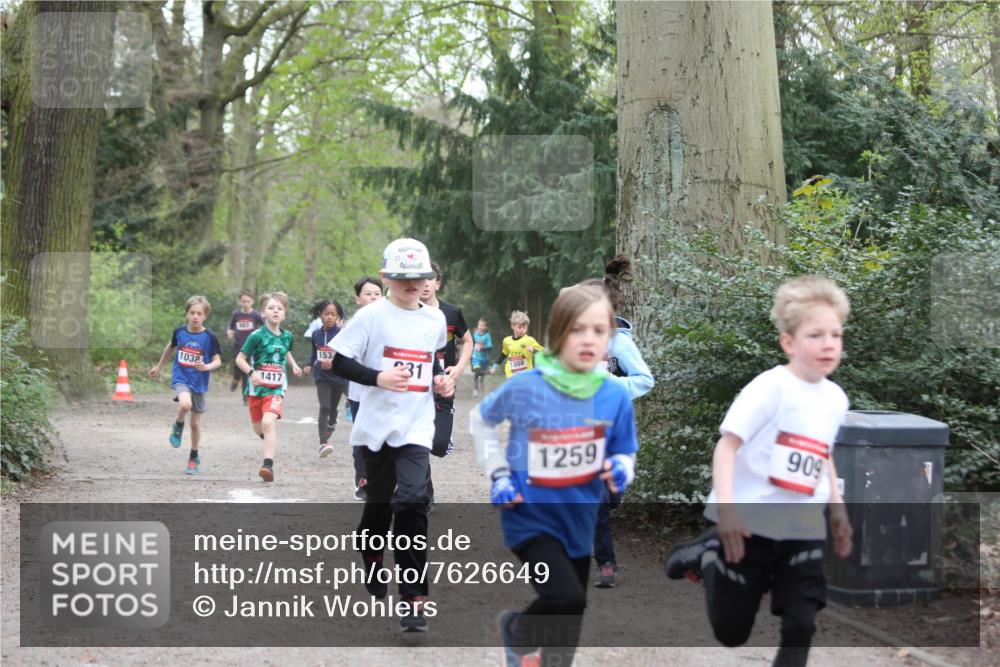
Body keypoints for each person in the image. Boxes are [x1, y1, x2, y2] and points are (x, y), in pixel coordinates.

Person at [663, 275, 854, 667]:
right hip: (749, 526)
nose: (829, 343)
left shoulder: (836, 398)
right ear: (788, 342)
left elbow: (823, 456)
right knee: (731, 633)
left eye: (836, 334)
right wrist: (728, 512)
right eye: (816, 334)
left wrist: (837, 509)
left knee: (802, 623)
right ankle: (707, 555)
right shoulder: (770, 389)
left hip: (802, 529)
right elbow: (726, 447)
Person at [471, 284, 639, 667]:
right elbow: (480, 421)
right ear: (558, 332)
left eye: (599, 331)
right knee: (567, 598)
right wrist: (499, 474)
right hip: (530, 517)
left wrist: (620, 469)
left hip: (579, 518)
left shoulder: (613, 394)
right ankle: (515, 630)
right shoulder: (528, 386)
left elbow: (625, 450)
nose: (589, 339)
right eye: (578, 329)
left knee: (568, 628)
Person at [331, 238, 455, 633]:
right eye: (401, 278)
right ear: (385, 278)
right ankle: (372, 558)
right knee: (379, 510)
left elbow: (430, 361)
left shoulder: (435, 320)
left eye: (419, 278)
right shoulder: (372, 316)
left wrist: (440, 382)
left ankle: (414, 596)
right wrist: (378, 377)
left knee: (414, 501)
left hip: (416, 427)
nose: (411, 285)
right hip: (375, 429)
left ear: (430, 278)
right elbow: (335, 359)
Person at [578, 255, 655, 589]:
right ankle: (606, 563)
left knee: (610, 497)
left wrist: (612, 385)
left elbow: (645, 380)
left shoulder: (621, 344)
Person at [149, 295, 223, 475]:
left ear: (205, 316)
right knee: (185, 404)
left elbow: (218, 361)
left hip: (199, 381)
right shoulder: (180, 332)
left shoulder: (209, 337)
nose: (195, 316)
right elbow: (170, 347)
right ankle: (178, 424)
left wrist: (207, 366)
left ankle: (193, 456)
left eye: (199, 313)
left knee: (196, 424)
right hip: (181, 377)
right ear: (186, 314)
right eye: (192, 313)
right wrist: (159, 366)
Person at [235, 291, 303, 482]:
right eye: (271, 307)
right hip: (256, 389)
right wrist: (251, 372)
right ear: (263, 312)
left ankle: (268, 466)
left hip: (276, 389)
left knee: (267, 423)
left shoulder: (287, 336)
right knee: (259, 429)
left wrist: (294, 365)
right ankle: (269, 442)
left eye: (280, 308)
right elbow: (239, 359)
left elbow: (286, 353)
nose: (275, 311)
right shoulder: (256, 336)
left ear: (284, 314)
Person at [421, 261, 471, 508]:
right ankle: (425, 492)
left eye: (430, 279)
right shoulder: (409, 313)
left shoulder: (451, 313)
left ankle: (440, 444)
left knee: (438, 446)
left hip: (444, 387)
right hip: (417, 389)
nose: (425, 284)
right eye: (421, 279)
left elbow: (468, 341)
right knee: (416, 442)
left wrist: (459, 369)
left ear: (437, 283)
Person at [344, 275, 384, 500]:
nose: (373, 297)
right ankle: (362, 479)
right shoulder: (354, 324)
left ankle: (384, 479)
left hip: (384, 391)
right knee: (362, 436)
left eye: (377, 294)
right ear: (358, 299)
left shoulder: (392, 322)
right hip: (359, 392)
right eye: (368, 294)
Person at [306, 299, 347, 458]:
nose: (330, 317)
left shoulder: (342, 334)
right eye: (326, 314)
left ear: (338, 317)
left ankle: (332, 421)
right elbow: (314, 352)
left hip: (338, 378)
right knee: (324, 407)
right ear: (320, 315)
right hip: (321, 376)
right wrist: (309, 364)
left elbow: (346, 354)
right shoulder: (316, 334)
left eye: (333, 314)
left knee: (332, 409)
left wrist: (334, 363)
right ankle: (323, 442)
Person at [226, 289, 264, 399]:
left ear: (252, 302)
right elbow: (230, 325)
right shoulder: (236, 313)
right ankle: (235, 379)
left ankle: (245, 396)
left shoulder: (256, 314)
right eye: (243, 301)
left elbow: (264, 326)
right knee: (236, 365)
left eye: (248, 301)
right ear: (240, 302)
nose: (246, 304)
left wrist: (259, 336)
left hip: (250, 346)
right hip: (238, 344)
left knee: (246, 371)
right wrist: (229, 331)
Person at [491, 310, 544, 377]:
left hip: (526, 375)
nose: (522, 330)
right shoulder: (507, 341)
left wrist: (533, 350)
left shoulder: (529, 340)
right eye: (519, 327)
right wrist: (494, 367)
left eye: (524, 328)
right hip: (511, 375)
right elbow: (504, 354)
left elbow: (543, 353)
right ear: (513, 326)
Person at [471, 317, 493, 397]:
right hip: (476, 357)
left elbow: (490, 347)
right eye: (479, 325)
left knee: (482, 374)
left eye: (483, 325)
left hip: (484, 359)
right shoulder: (474, 335)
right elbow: (471, 343)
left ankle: (481, 380)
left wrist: (482, 347)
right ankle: (475, 390)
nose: (480, 327)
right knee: (477, 371)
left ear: (486, 327)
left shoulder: (487, 336)